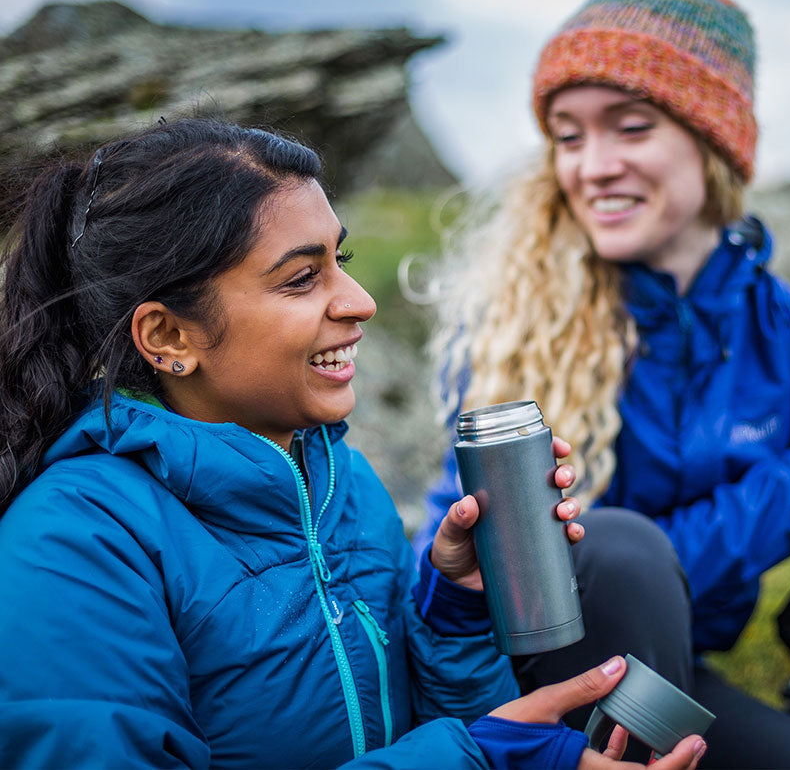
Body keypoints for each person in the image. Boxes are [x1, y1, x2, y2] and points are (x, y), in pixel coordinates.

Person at [0, 118, 708, 769]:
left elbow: (436, 732)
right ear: (169, 336)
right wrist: (482, 759)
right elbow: (459, 751)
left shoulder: (348, 486)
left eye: (342, 259)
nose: (360, 300)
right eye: (303, 277)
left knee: (619, 553)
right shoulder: (75, 540)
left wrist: (453, 609)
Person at [417, 0, 790, 766]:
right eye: (568, 134)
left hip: (672, 681)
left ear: (713, 140)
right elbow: (615, 578)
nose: (591, 167)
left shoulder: (775, 320)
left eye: (630, 127)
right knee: (620, 547)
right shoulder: (524, 323)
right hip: (523, 693)